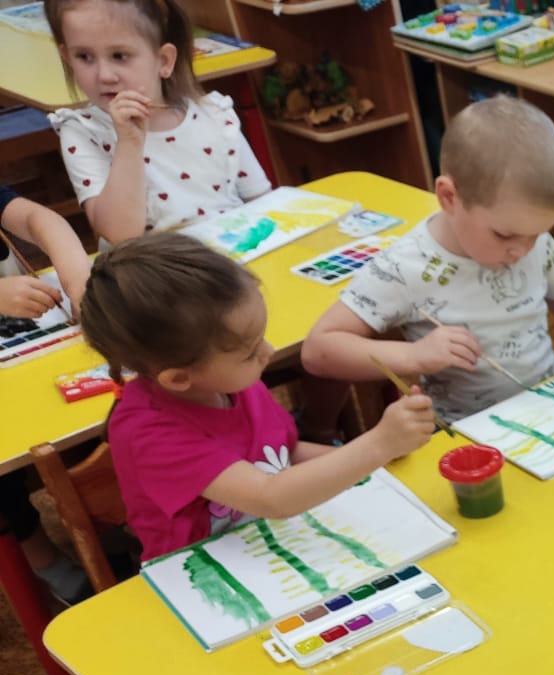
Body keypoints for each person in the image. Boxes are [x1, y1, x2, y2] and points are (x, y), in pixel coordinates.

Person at [301, 95, 554, 424]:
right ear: (449, 198)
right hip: (467, 434)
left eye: (537, 234)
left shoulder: (528, 239)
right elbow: (319, 351)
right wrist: (415, 356)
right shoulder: (405, 267)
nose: (523, 250)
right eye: (505, 235)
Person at [77, 233, 435, 564]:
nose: (269, 351)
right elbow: (270, 496)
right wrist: (376, 446)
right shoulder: (151, 433)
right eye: (249, 352)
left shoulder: (231, 383)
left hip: (274, 542)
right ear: (179, 377)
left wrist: (373, 457)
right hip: (205, 573)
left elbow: (283, 455)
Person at [45, 0, 272, 243]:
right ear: (67, 58)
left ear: (164, 61)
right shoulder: (83, 131)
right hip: (152, 265)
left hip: (235, 254)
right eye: (84, 56)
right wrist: (129, 142)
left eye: (119, 56)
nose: (104, 75)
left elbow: (265, 205)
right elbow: (120, 235)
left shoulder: (215, 115)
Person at [0, 183, 95, 604]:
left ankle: (105, 521)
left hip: (22, 344)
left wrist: (78, 284)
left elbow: (41, 218)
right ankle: (40, 554)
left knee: (98, 402)